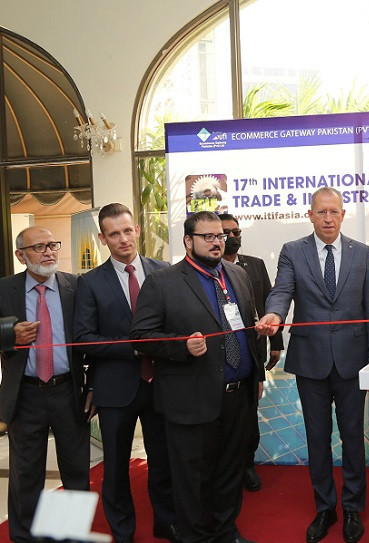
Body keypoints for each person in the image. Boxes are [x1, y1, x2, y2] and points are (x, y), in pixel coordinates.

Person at [256, 188, 369, 543]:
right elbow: (282, 291)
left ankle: (353, 507)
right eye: (321, 212)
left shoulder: (361, 253)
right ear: (310, 215)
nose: (328, 218)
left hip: (353, 361)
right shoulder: (292, 251)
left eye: (334, 211)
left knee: (353, 437)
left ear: (343, 214)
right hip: (311, 360)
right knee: (316, 437)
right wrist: (274, 314)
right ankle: (325, 507)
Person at [130, 211, 260, 543]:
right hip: (191, 398)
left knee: (230, 472)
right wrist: (181, 346)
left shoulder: (237, 275)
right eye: (208, 237)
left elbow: (244, 328)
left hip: (237, 395)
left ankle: (226, 531)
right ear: (189, 241)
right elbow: (140, 336)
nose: (218, 242)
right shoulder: (163, 282)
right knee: (194, 479)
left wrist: (257, 372)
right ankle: (198, 537)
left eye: (221, 236)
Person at [73, 203, 178, 543]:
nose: (123, 239)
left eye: (127, 230)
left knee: (163, 460)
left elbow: (175, 322)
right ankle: (122, 531)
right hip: (116, 388)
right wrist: (134, 347)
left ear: (138, 230)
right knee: (116, 468)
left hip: (161, 384)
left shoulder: (164, 272)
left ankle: (167, 522)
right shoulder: (90, 282)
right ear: (103, 238)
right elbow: (83, 339)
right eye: (114, 234)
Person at [0, 226, 91, 543]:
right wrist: (10, 335)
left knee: (76, 470)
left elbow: (91, 337)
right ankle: (25, 536)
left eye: (53, 245)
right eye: (39, 247)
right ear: (20, 255)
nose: (49, 251)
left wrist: (92, 386)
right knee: (26, 473)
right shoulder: (4, 289)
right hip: (25, 394)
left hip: (69, 390)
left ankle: (70, 533)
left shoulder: (76, 286)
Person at [218, 213, 284, 492]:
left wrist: (276, 343)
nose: (232, 237)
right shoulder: (207, 269)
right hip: (218, 356)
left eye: (236, 232)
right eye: (226, 232)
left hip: (251, 352)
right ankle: (224, 470)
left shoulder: (254, 265)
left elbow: (270, 303)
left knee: (249, 414)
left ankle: (247, 465)